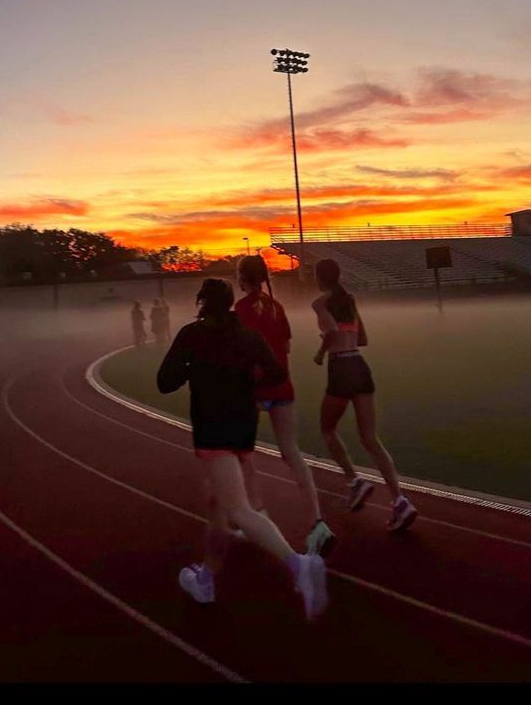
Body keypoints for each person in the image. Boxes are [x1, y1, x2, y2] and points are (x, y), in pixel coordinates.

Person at [157, 278, 328, 619]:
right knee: (216, 504)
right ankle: (206, 577)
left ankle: (298, 564)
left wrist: (195, 369)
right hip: (243, 427)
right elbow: (277, 372)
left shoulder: (193, 335)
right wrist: (247, 380)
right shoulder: (249, 336)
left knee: (236, 509)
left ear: (202, 302)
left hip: (212, 429)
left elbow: (164, 382)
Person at [235, 255, 335, 557]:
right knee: (292, 453)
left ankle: (257, 514)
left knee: (243, 453)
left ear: (242, 278)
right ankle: (317, 522)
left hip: (252, 390)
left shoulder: (239, 310)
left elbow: (239, 352)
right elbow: (287, 346)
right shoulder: (277, 308)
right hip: (282, 386)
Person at [312, 258, 417, 531]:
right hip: (359, 365)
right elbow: (363, 339)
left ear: (319, 279)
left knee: (327, 429)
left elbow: (332, 331)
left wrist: (321, 351)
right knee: (370, 438)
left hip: (341, 367)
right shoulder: (350, 300)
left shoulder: (320, 304)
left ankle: (355, 481)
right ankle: (399, 501)